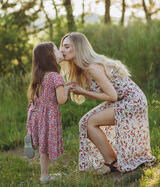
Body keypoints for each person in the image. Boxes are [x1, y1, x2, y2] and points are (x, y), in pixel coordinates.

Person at [60, 32, 155, 175]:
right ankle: (113, 160)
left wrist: (83, 92)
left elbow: (112, 96)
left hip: (132, 101)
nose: (62, 50)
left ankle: (111, 162)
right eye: (61, 46)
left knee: (89, 122)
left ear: (78, 48)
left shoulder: (93, 67)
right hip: (122, 99)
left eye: (66, 46)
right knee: (84, 122)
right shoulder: (82, 69)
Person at [24, 42, 70, 183]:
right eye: (56, 49)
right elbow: (61, 100)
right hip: (49, 117)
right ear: (49, 56)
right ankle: (44, 176)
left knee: (43, 148)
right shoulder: (55, 77)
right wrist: (67, 89)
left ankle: (44, 175)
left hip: (37, 116)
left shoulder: (40, 76)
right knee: (47, 146)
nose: (60, 50)